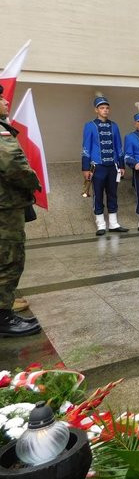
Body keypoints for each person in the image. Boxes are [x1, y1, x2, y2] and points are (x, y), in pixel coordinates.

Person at [0, 91, 42, 337]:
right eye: (2, 99)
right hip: (5, 208)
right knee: (9, 259)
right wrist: (34, 181)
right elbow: (13, 164)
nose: (6, 102)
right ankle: (3, 318)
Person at [81, 93, 128, 236]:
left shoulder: (114, 126)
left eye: (107, 108)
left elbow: (119, 147)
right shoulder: (90, 126)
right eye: (102, 108)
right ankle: (100, 224)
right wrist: (85, 168)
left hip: (112, 167)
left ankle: (113, 224)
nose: (105, 110)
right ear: (96, 110)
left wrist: (121, 165)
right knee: (98, 195)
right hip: (98, 167)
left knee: (113, 194)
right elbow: (86, 148)